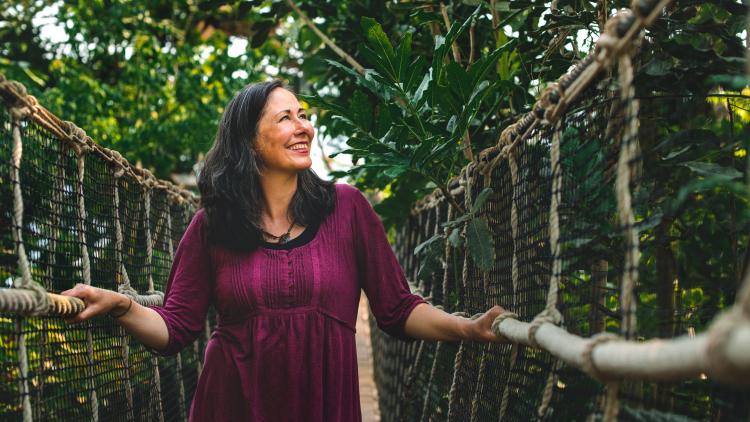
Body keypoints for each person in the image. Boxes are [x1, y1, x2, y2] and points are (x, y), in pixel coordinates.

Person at [62, 80, 507, 421]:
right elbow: (176, 328)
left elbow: (396, 309)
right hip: (230, 403)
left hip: (323, 406)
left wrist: (465, 329)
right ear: (249, 142)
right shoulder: (212, 226)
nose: (305, 127)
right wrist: (121, 306)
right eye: (285, 119)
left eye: (303, 115)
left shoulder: (347, 208)